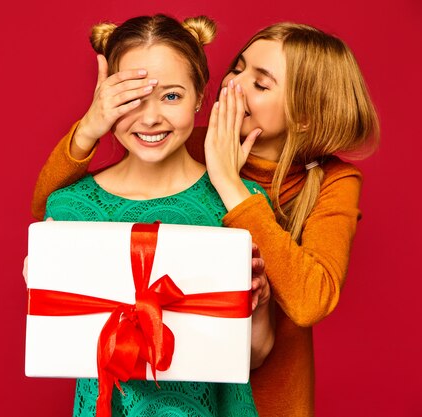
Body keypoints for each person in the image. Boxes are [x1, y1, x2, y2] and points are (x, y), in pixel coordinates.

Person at [31, 21, 380, 417]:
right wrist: (89, 130)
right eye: (237, 68)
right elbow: (55, 205)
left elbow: (309, 301)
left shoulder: (332, 180)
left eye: (261, 84)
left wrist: (230, 183)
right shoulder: (181, 139)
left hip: (262, 392)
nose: (235, 86)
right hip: (143, 382)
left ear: (304, 114)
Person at [37, 14, 275, 417]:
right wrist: (43, 289)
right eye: (132, 98)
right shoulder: (69, 210)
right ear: (105, 100)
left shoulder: (241, 202)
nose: (150, 118)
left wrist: (259, 302)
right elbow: (61, 347)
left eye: (171, 96)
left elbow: (254, 356)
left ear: (200, 96)